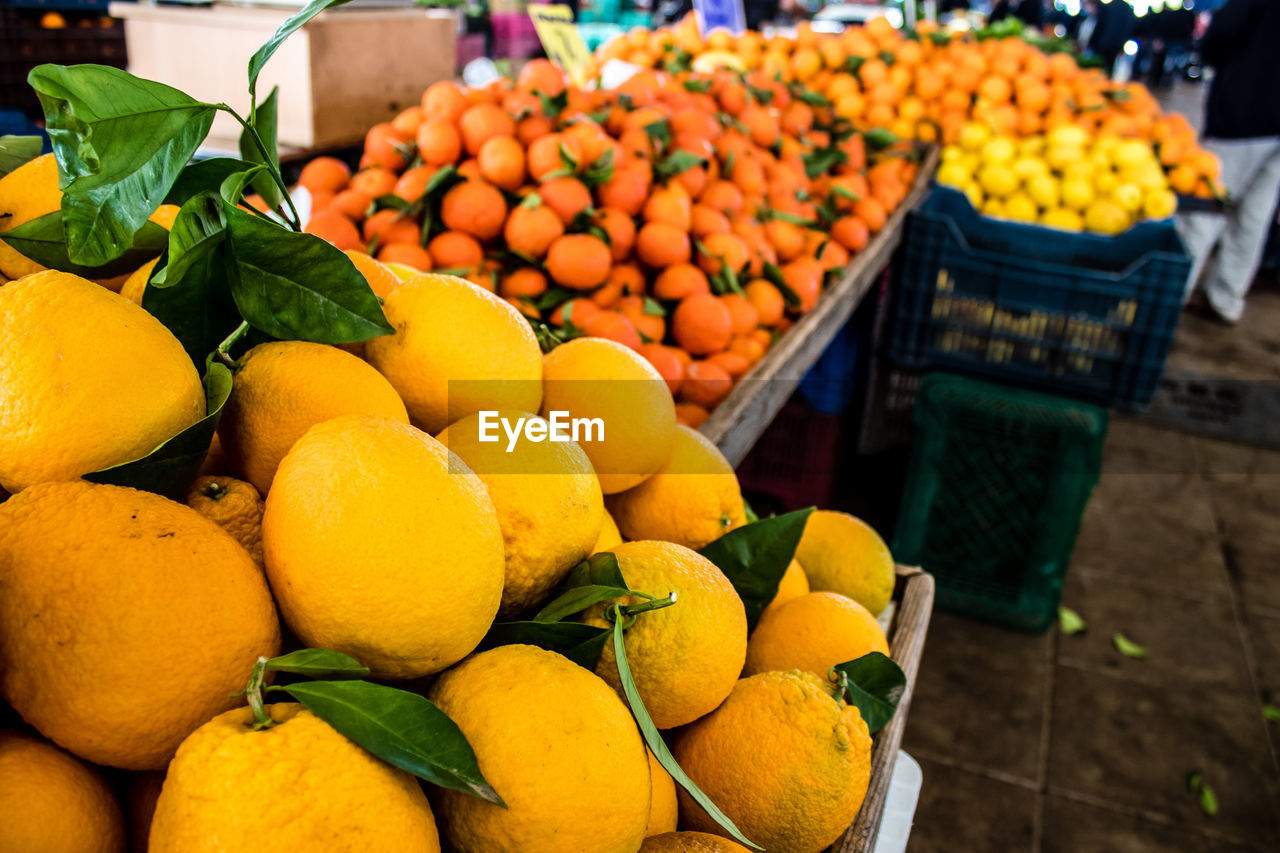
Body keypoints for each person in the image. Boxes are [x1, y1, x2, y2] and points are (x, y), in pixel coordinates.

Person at [1177, 0, 1280, 324]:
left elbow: (1222, 33)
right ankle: (1226, 298)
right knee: (1254, 215)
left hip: (1244, 112)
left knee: (1206, 206)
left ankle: (1175, 292)